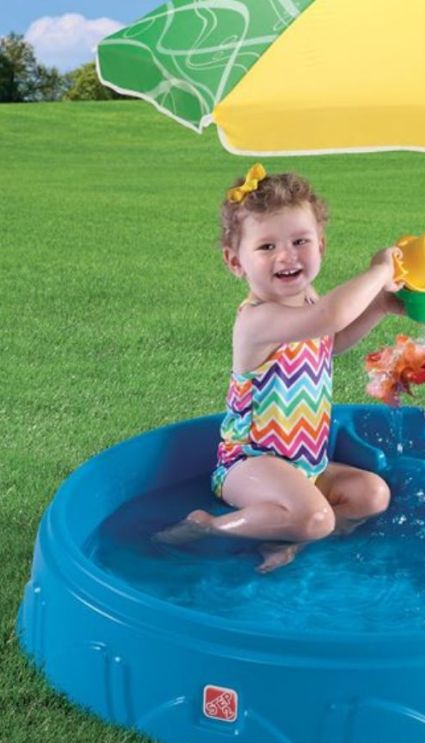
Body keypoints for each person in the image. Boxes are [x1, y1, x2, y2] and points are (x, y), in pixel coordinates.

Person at [157, 164, 403, 572]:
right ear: (235, 262)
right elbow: (333, 317)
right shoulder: (257, 321)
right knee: (318, 518)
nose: (286, 255)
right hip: (248, 463)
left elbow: (332, 340)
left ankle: (285, 533)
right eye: (267, 247)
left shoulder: (309, 302)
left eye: (299, 241)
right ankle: (210, 526)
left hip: (305, 465)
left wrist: (380, 306)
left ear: (320, 246)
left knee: (372, 494)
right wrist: (380, 271)